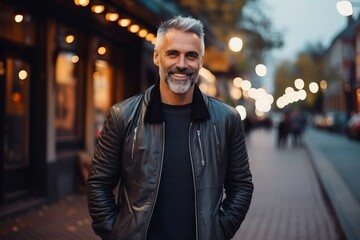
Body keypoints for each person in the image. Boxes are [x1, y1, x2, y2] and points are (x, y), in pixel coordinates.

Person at [87, 16, 253, 240]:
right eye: (173, 53)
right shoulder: (123, 115)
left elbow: (241, 186)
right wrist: (117, 232)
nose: (182, 64)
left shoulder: (227, 120)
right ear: (157, 57)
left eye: (191, 56)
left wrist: (219, 230)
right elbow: (99, 183)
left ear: (201, 61)